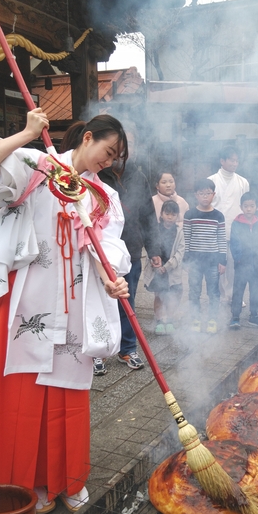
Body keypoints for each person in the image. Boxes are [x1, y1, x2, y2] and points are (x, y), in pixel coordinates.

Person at [0, 109, 131, 514]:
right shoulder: (41, 165)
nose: (108, 160)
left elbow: (107, 249)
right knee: (23, 390)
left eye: (115, 157)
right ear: (87, 138)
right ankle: (24, 483)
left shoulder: (104, 196)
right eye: (108, 149)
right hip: (30, 294)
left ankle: (65, 479)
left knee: (67, 392)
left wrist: (110, 278)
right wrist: (26, 134)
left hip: (75, 297)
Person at [99, 129, 162, 370]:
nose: (123, 152)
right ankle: (99, 351)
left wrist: (154, 249)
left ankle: (127, 348)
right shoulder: (97, 174)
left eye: (129, 145)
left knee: (128, 301)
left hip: (131, 248)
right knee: (100, 302)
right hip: (101, 251)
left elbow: (148, 215)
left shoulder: (139, 176)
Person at [183, 178, 227, 334]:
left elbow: (221, 239)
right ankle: (195, 319)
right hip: (195, 260)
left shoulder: (218, 216)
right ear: (196, 195)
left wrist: (223, 260)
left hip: (213, 261)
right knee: (194, 290)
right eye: (201, 193)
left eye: (208, 193)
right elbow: (186, 238)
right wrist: (186, 260)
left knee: (213, 292)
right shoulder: (190, 214)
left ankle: (212, 319)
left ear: (213, 194)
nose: (205, 196)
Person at [208, 144, 249, 303]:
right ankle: (219, 294)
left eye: (237, 161)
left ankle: (233, 295)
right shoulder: (211, 181)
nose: (234, 163)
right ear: (222, 161)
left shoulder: (243, 182)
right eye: (231, 160)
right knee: (217, 266)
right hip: (215, 230)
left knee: (233, 266)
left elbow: (246, 206)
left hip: (236, 230)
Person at [143, 200, 185, 334]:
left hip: (171, 270)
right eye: (167, 214)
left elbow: (180, 251)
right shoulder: (155, 229)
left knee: (173, 296)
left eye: (173, 214)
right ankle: (159, 320)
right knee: (159, 296)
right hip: (157, 269)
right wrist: (157, 266)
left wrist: (167, 267)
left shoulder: (180, 232)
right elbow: (150, 248)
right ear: (161, 214)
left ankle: (170, 320)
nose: (170, 217)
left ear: (177, 216)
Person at [229, 191, 258, 329]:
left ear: (257, 207)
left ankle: (254, 316)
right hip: (241, 264)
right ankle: (235, 317)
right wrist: (238, 259)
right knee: (238, 290)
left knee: (255, 291)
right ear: (241, 207)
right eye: (246, 206)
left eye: (252, 206)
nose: (249, 209)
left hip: (256, 264)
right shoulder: (236, 223)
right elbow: (233, 242)